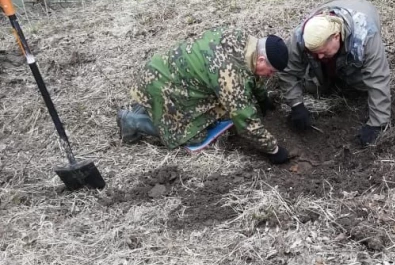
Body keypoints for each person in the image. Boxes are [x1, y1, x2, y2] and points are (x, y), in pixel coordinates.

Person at [117, 27, 290, 163]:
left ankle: (148, 106)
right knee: (194, 136)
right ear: (261, 60)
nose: (270, 75)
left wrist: (262, 97)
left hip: (163, 69)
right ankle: (132, 121)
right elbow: (245, 121)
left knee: (217, 110)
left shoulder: (243, 39)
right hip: (162, 85)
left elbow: (251, 73)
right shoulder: (229, 76)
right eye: (271, 71)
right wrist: (274, 149)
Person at [279, 0, 391, 145]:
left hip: (362, 8)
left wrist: (377, 124)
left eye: (322, 51)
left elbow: (378, 78)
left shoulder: (366, 35)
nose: (319, 56)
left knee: (361, 85)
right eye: (314, 53)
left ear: (336, 37)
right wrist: (296, 105)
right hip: (333, 14)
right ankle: (329, 72)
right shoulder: (301, 36)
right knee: (314, 87)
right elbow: (288, 70)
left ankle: (342, 73)